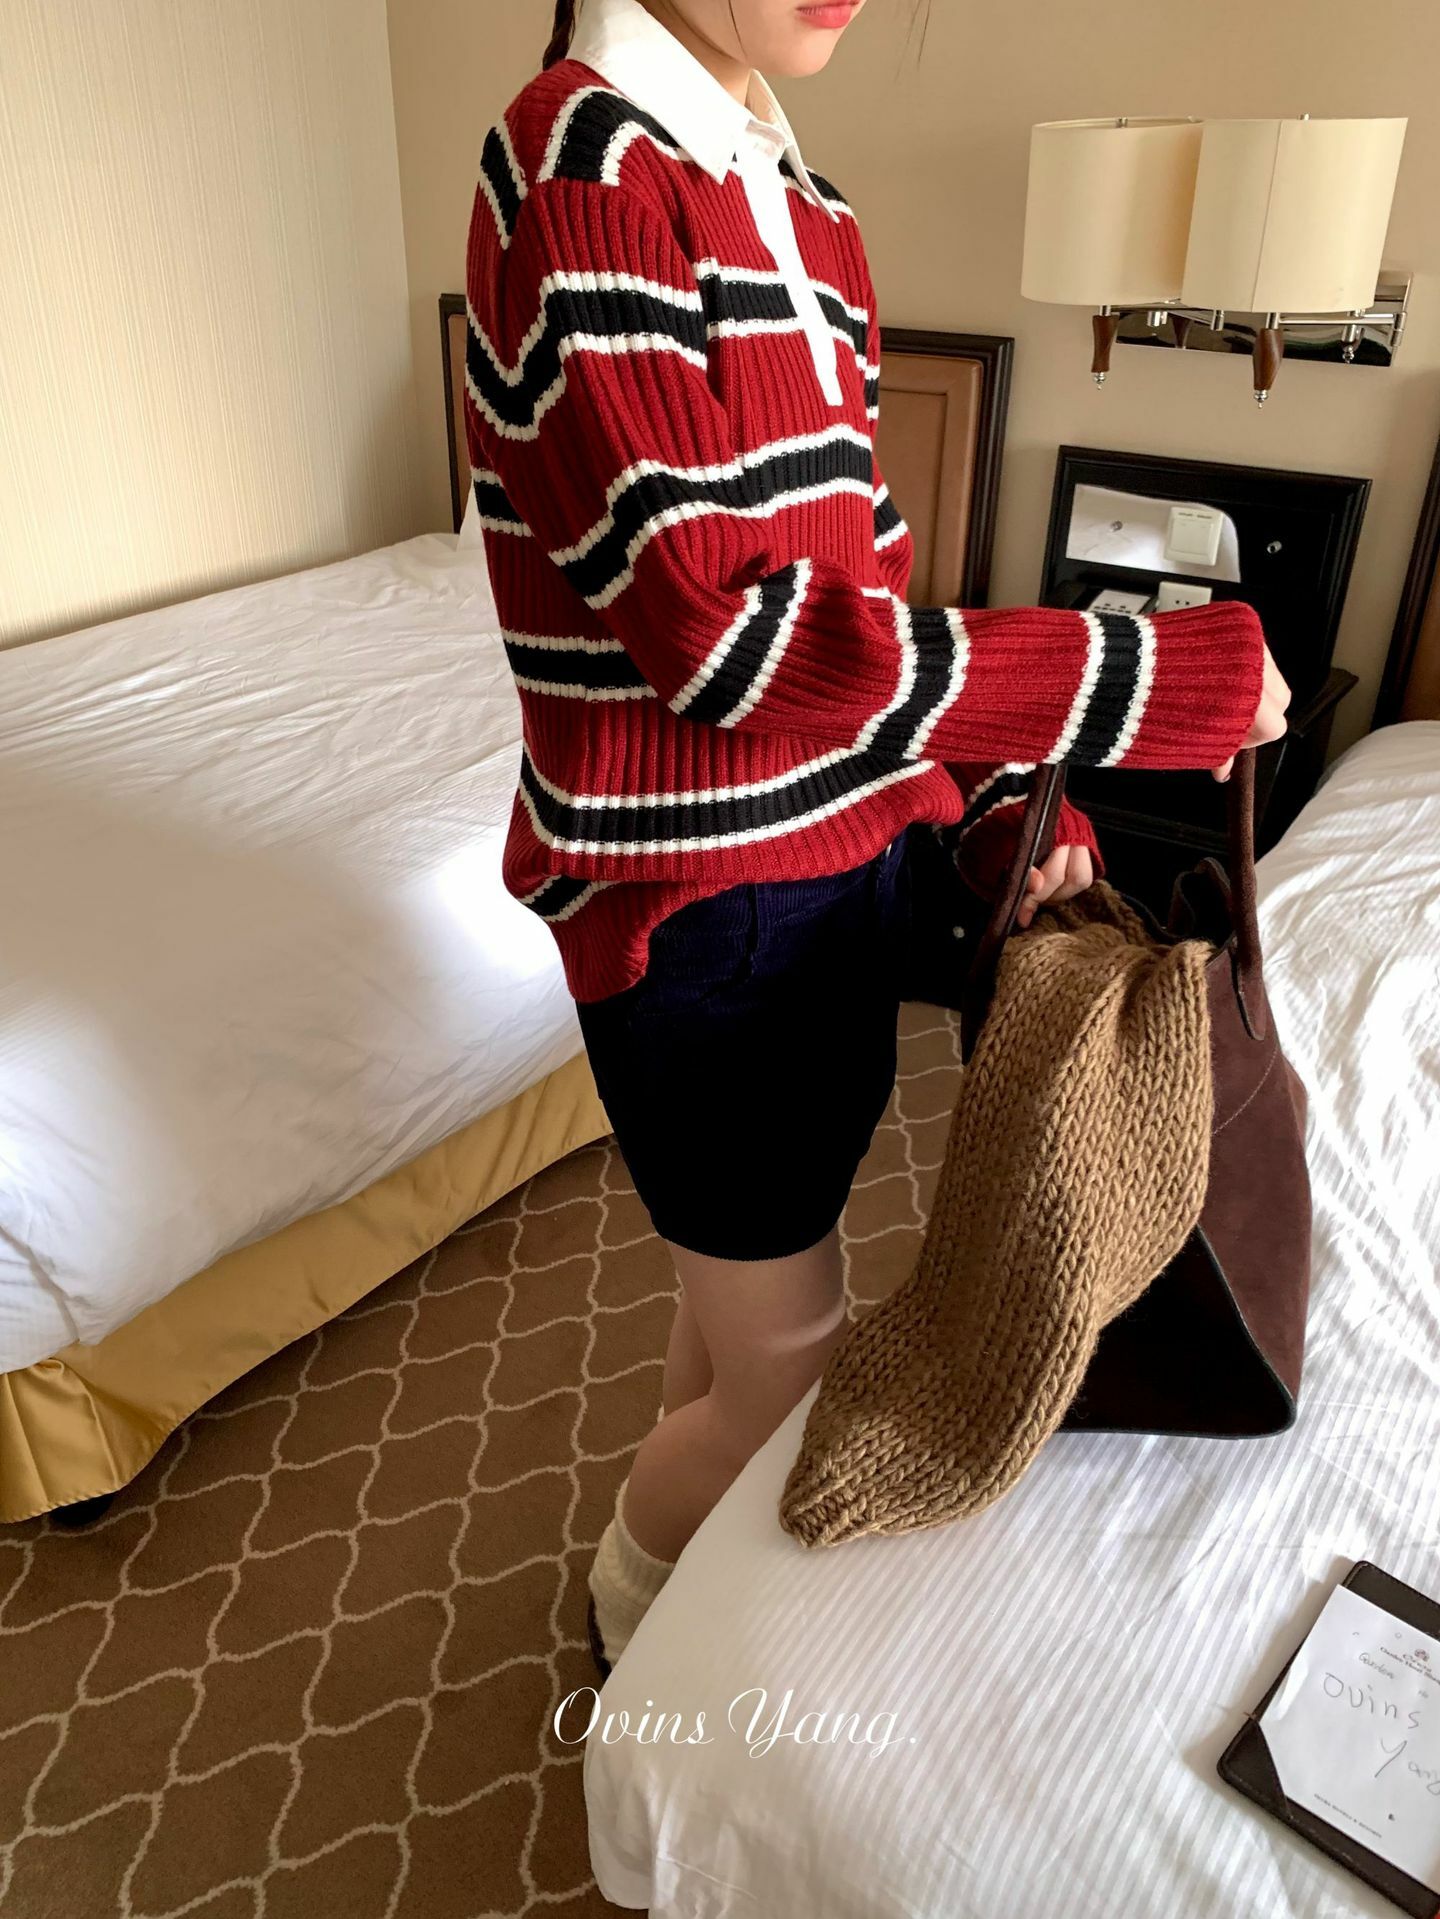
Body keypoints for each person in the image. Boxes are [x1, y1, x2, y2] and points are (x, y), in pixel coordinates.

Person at [463, 0, 1291, 1667]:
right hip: (700, 909)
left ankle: (670, 1601)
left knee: (745, 1299)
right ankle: (628, 1619)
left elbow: (863, 596)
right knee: (790, 1364)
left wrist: (986, 799)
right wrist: (1133, 680)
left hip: (835, 875)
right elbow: (721, 634)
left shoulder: (804, 204)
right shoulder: (579, 165)